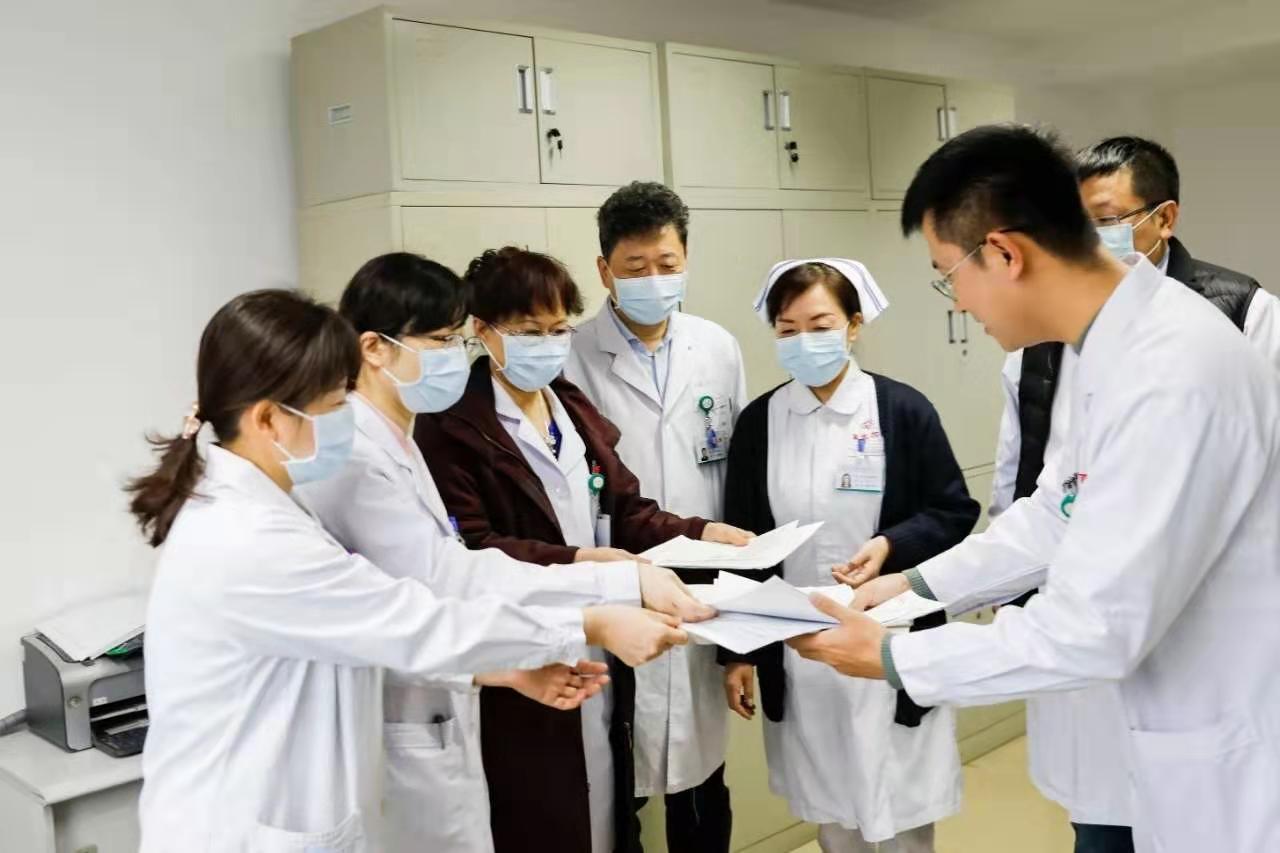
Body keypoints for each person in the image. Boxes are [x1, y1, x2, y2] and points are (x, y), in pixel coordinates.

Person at [788, 125, 1280, 853]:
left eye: (947, 274)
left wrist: (895, 657)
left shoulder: (1173, 370)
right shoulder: (1105, 345)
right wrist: (915, 586)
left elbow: (1094, 629)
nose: (957, 303)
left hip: (1228, 756)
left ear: (1004, 254)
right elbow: (1057, 508)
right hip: (1162, 728)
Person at [126, 289, 691, 853]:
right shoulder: (249, 539)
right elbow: (414, 620)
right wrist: (591, 623)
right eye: (334, 403)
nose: (348, 417)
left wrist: (499, 669)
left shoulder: (262, 506)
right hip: (236, 829)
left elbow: (370, 627)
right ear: (269, 419)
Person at [295, 253, 716, 852]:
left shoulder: (400, 438)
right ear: (374, 348)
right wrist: (602, 599)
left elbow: (457, 567)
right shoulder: (365, 455)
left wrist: (613, 579)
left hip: (461, 692)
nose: (455, 355)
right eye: (443, 340)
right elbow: (448, 578)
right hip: (403, 727)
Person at [985, 136, 1280, 853]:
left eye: (1107, 220)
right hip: (1084, 624)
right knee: (1101, 820)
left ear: (1164, 218)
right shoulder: (1048, 335)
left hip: (1204, 639)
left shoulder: (1242, 314)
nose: (1088, 241)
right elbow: (1026, 483)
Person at [415, 246, 753, 853]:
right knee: (543, 813)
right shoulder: (452, 425)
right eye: (528, 332)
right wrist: (584, 563)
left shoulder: (567, 404)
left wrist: (701, 532)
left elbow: (624, 510)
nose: (547, 345)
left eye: (558, 330)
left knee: (605, 810)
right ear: (481, 330)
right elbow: (476, 549)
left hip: (600, 642)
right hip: (523, 649)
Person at [719, 259, 977, 853]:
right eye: (787, 329)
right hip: (800, 646)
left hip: (890, 636)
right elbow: (743, 544)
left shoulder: (902, 410)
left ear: (854, 325)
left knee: (903, 809)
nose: (803, 341)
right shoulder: (760, 422)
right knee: (833, 812)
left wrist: (890, 545)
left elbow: (953, 511)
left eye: (820, 325)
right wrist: (737, 653)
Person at [563, 181, 747, 852]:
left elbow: (734, 473)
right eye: (635, 267)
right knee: (622, 792)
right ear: (604, 270)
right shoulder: (570, 356)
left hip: (703, 588)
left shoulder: (717, 346)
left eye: (666, 263)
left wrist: (741, 631)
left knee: (702, 788)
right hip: (617, 588)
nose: (653, 279)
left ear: (686, 258)